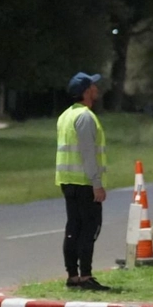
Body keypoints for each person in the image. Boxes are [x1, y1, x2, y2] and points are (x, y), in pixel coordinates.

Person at [56, 72, 110, 291]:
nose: (96, 89)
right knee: (90, 228)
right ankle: (86, 276)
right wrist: (97, 183)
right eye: (93, 86)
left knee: (73, 227)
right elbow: (88, 153)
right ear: (87, 91)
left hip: (68, 181)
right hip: (85, 182)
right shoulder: (86, 117)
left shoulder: (65, 116)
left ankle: (72, 276)